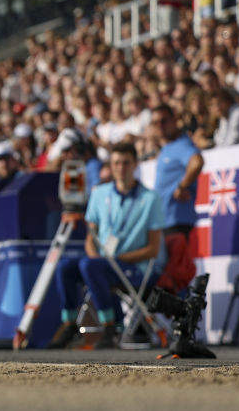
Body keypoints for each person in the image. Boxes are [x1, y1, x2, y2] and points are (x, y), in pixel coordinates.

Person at [49, 142, 165, 350]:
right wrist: (97, 259)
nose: (121, 168)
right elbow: (90, 238)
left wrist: (113, 261)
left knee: (91, 267)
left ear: (135, 165)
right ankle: (69, 323)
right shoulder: (99, 194)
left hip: (135, 267)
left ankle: (111, 326)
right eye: (117, 163)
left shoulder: (150, 198)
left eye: (126, 163)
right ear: (111, 166)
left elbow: (153, 249)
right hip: (102, 265)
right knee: (66, 266)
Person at [150, 105, 203, 294]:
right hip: (165, 223)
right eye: (155, 122)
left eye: (164, 120)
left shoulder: (181, 145)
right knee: (165, 282)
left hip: (177, 224)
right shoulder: (167, 148)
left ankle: (182, 323)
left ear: (174, 120)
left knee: (176, 281)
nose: (160, 126)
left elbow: (197, 161)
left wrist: (182, 186)